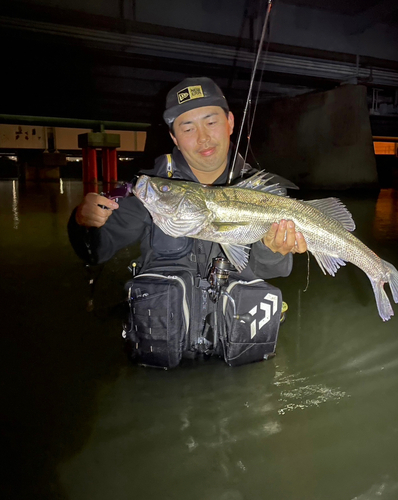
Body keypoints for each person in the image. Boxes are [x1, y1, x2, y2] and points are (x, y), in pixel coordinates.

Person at [68, 77, 307, 367]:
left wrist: (272, 249)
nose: (203, 138)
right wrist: (84, 222)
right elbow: (95, 251)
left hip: (240, 359)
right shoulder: (152, 192)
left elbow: (276, 271)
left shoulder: (263, 193)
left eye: (211, 121)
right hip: (161, 363)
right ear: (174, 138)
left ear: (230, 122)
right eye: (188, 127)